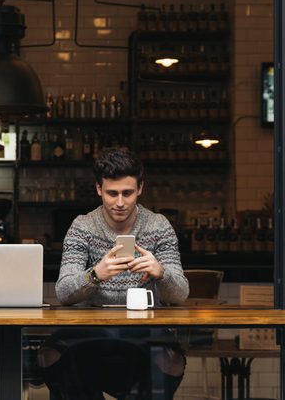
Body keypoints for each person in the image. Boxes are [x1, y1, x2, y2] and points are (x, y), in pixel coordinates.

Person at [41, 147, 189, 400]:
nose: (119, 203)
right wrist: (95, 275)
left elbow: (181, 295)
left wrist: (161, 272)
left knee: (172, 360)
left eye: (127, 193)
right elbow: (63, 292)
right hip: (89, 329)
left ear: (140, 188)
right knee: (49, 355)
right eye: (112, 193)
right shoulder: (83, 226)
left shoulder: (158, 225)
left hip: (144, 328)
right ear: (99, 189)